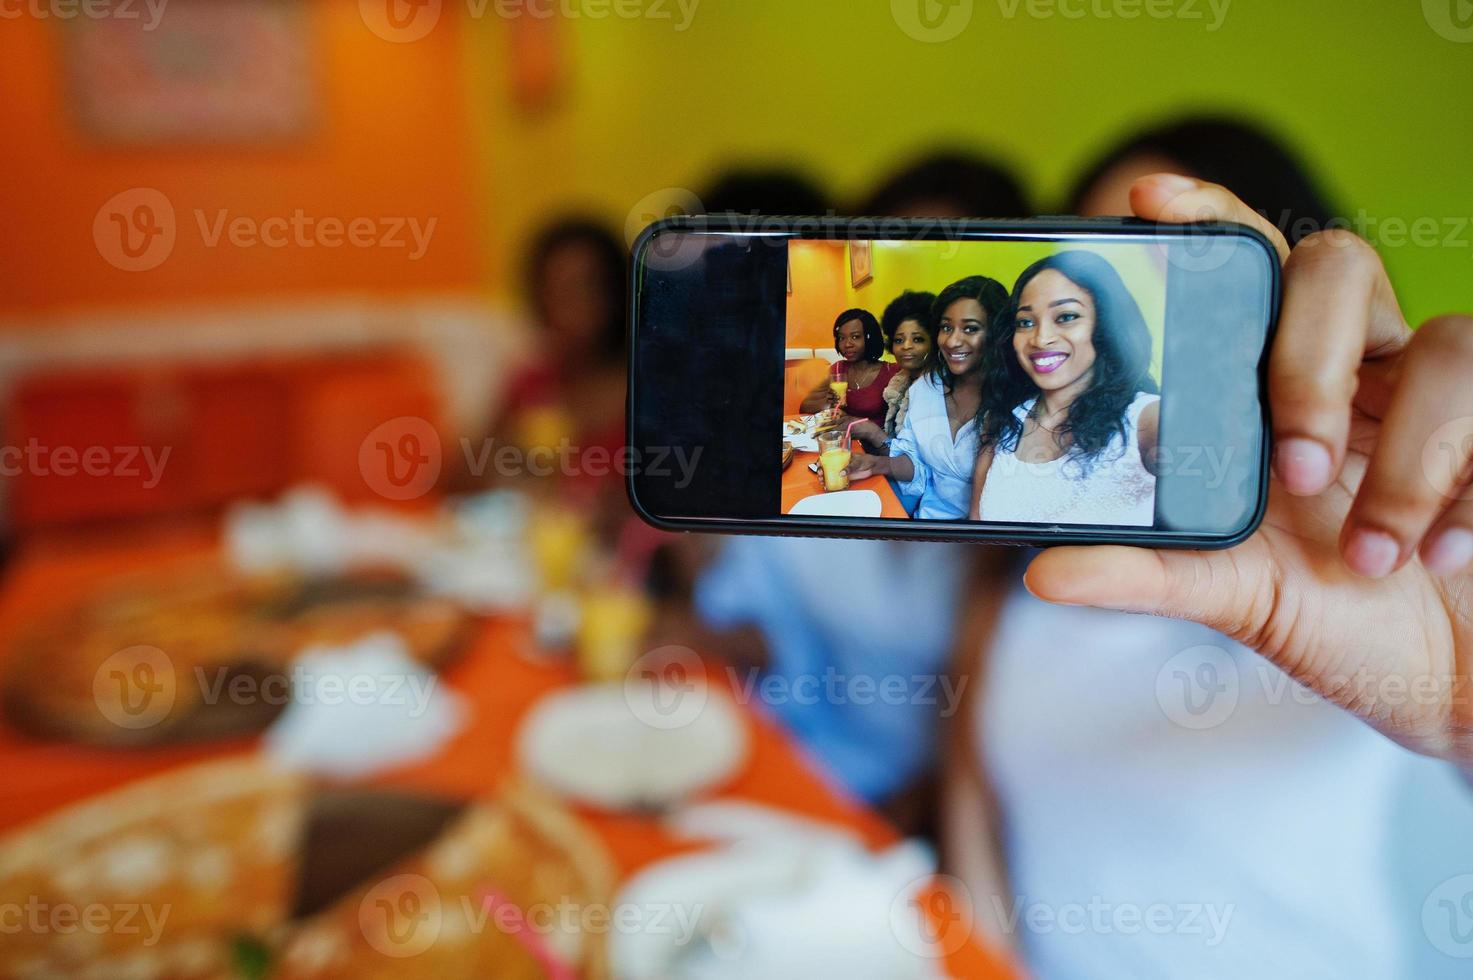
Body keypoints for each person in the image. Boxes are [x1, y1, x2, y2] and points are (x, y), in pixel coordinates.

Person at [944, 118, 1473, 980]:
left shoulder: (1360, 555)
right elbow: (974, 797)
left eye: (1174, 269)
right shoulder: (1016, 563)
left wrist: (1463, 697)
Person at [969, 251, 1160, 526]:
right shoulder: (1001, 423)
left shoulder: (1146, 418)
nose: (1041, 338)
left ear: (1106, 326)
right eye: (1026, 322)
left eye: (1066, 316)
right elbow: (977, 532)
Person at [845, 276, 1010, 520]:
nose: (952, 341)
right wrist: (876, 464)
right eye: (946, 327)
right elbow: (917, 463)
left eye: (971, 328)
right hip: (928, 520)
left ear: (997, 334)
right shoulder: (924, 389)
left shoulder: (1013, 401)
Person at [849, 290, 937, 454]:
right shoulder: (900, 382)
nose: (906, 346)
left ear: (934, 342)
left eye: (917, 339)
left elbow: (915, 463)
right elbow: (895, 450)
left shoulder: (937, 390)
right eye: (899, 340)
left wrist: (870, 431)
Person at [798, 308, 899, 426]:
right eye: (842, 338)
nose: (847, 344)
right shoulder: (838, 370)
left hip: (876, 441)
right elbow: (804, 407)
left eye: (855, 337)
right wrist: (828, 402)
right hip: (844, 438)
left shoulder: (891, 371)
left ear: (870, 338)